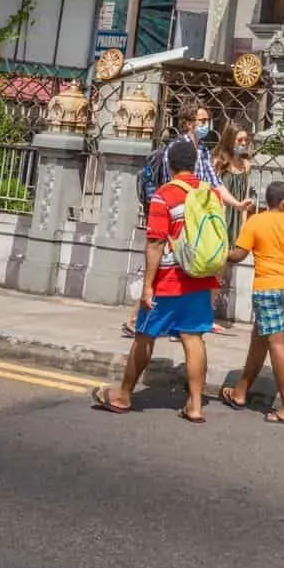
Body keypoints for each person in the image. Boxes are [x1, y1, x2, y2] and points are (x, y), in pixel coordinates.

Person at [93, 138, 217, 423]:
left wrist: (148, 285)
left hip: (170, 278)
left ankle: (124, 395)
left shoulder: (164, 195)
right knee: (193, 337)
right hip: (200, 275)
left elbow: (155, 243)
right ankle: (195, 405)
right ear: (194, 164)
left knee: (145, 335)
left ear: (170, 164)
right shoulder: (211, 194)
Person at [122, 95, 233, 338]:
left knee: (182, 271)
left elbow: (213, 184)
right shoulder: (178, 149)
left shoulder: (201, 150)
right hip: (174, 215)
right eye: (201, 120)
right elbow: (170, 183)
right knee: (163, 271)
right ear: (188, 122)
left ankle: (174, 324)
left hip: (193, 217)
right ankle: (139, 320)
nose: (206, 125)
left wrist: (236, 203)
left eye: (207, 120)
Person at [220, 182, 284, 424]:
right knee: (259, 340)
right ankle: (240, 392)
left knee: (277, 343)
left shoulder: (255, 221)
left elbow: (238, 255)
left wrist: (218, 254)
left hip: (267, 290)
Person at [210, 120, 256, 333]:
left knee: (222, 270)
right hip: (220, 218)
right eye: (240, 140)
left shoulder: (246, 166)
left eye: (246, 140)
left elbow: (245, 198)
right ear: (230, 140)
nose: (244, 144)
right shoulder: (220, 163)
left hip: (235, 219)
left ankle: (208, 312)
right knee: (212, 268)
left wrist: (244, 227)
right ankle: (201, 313)